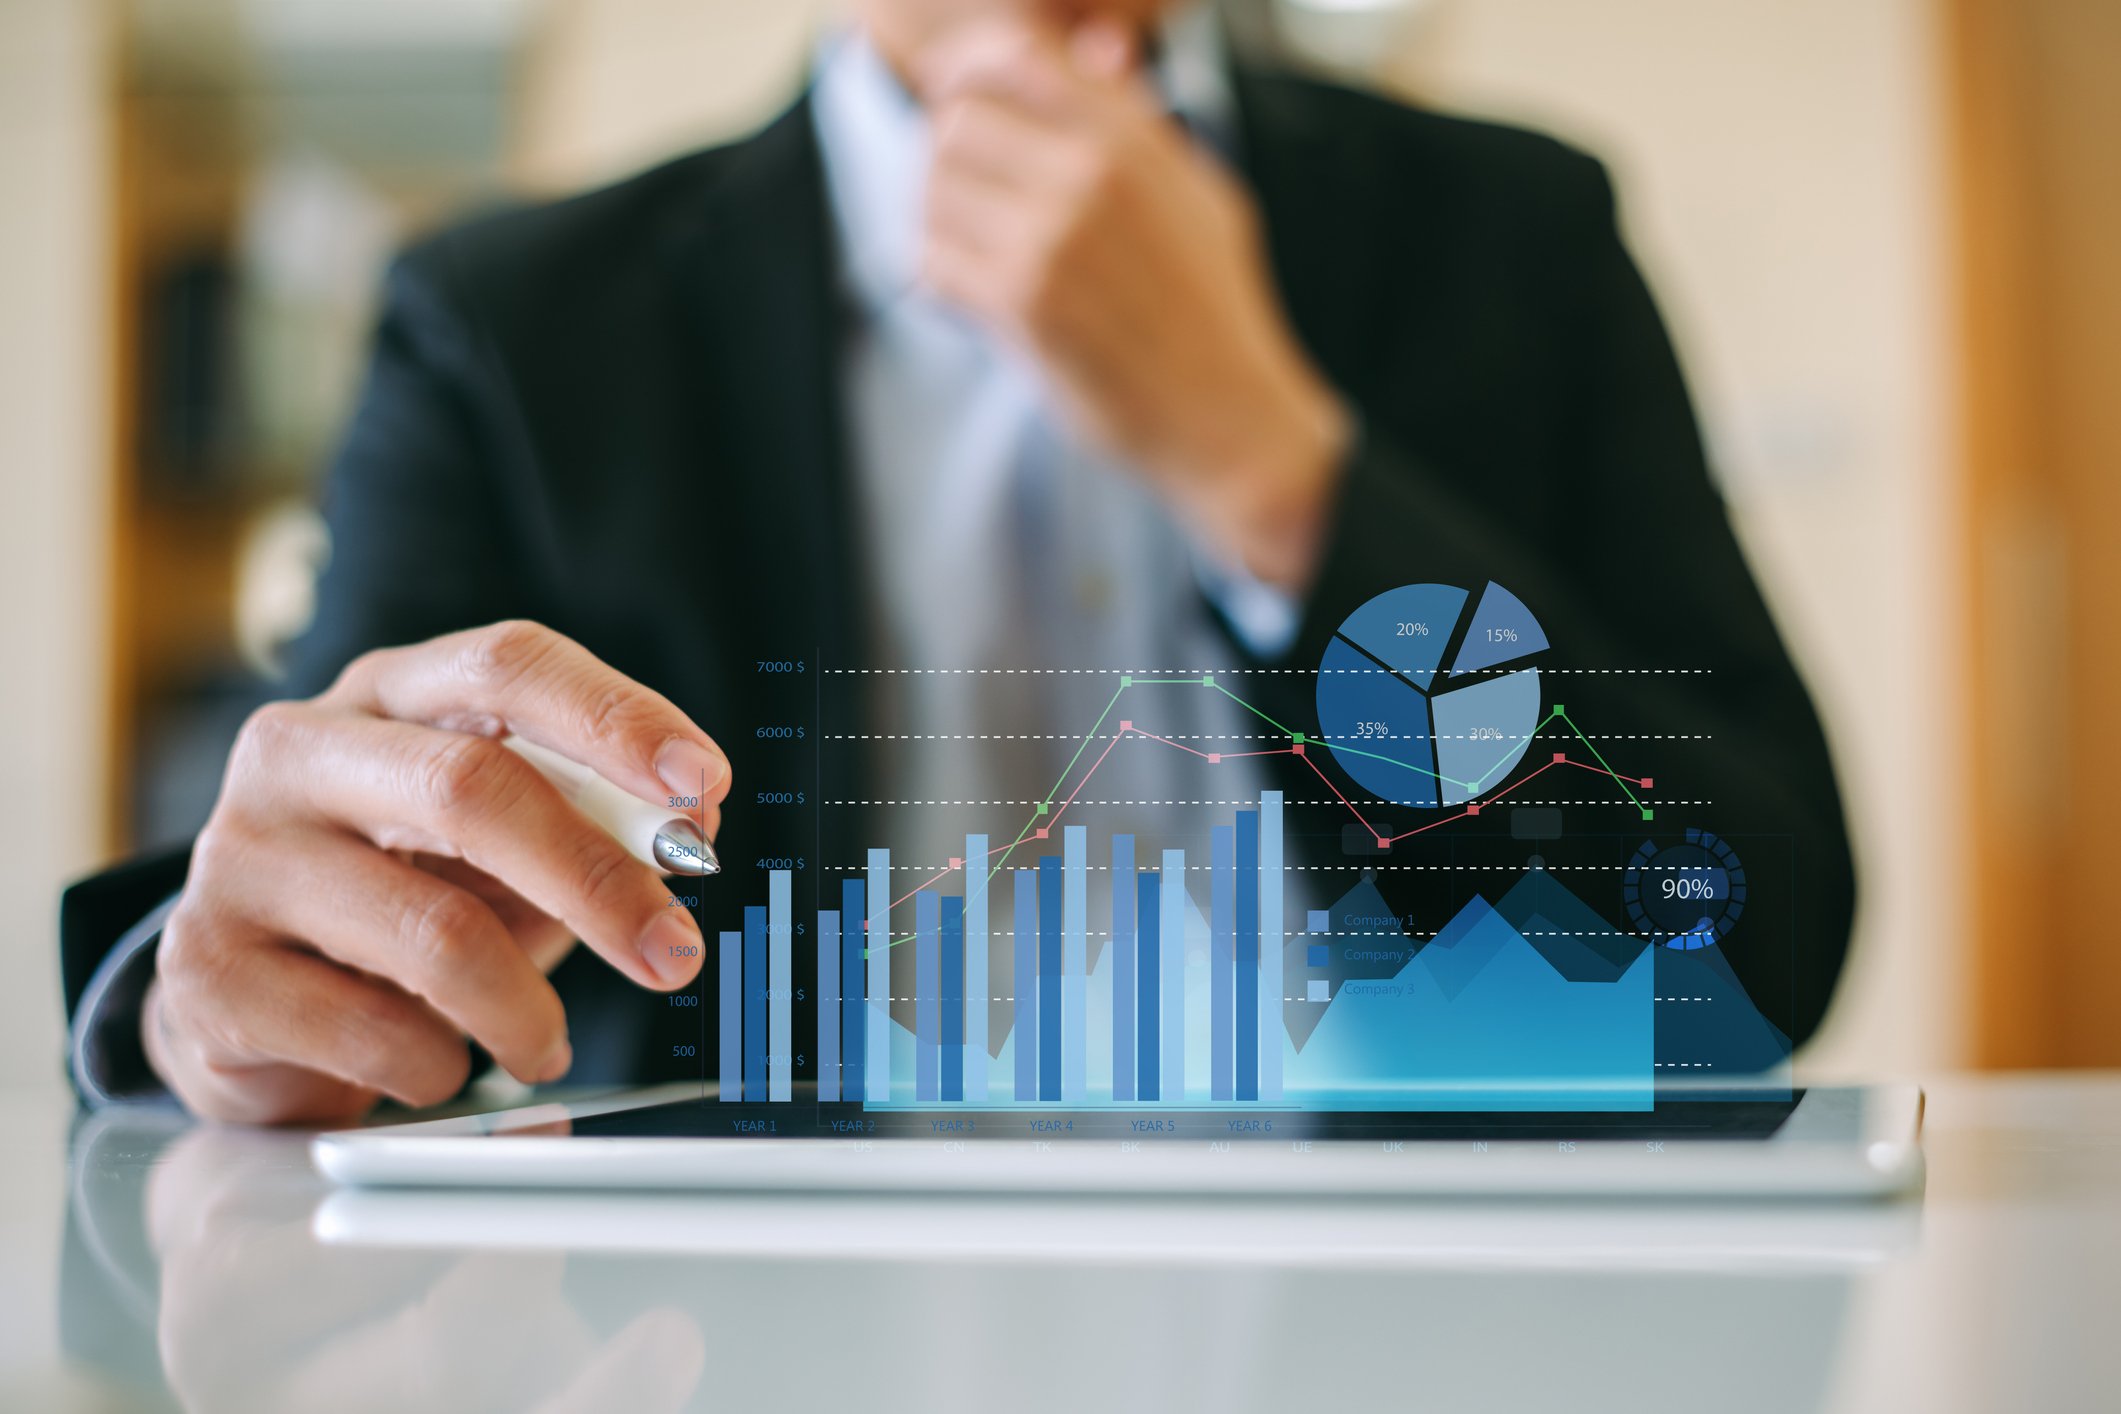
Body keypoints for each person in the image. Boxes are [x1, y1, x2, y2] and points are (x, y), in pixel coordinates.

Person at [60, 0, 1855, 1123]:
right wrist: (217, 1002)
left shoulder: (1518, 233)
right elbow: (319, 915)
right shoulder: (510, 326)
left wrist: (1271, 461)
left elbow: (1748, 957)